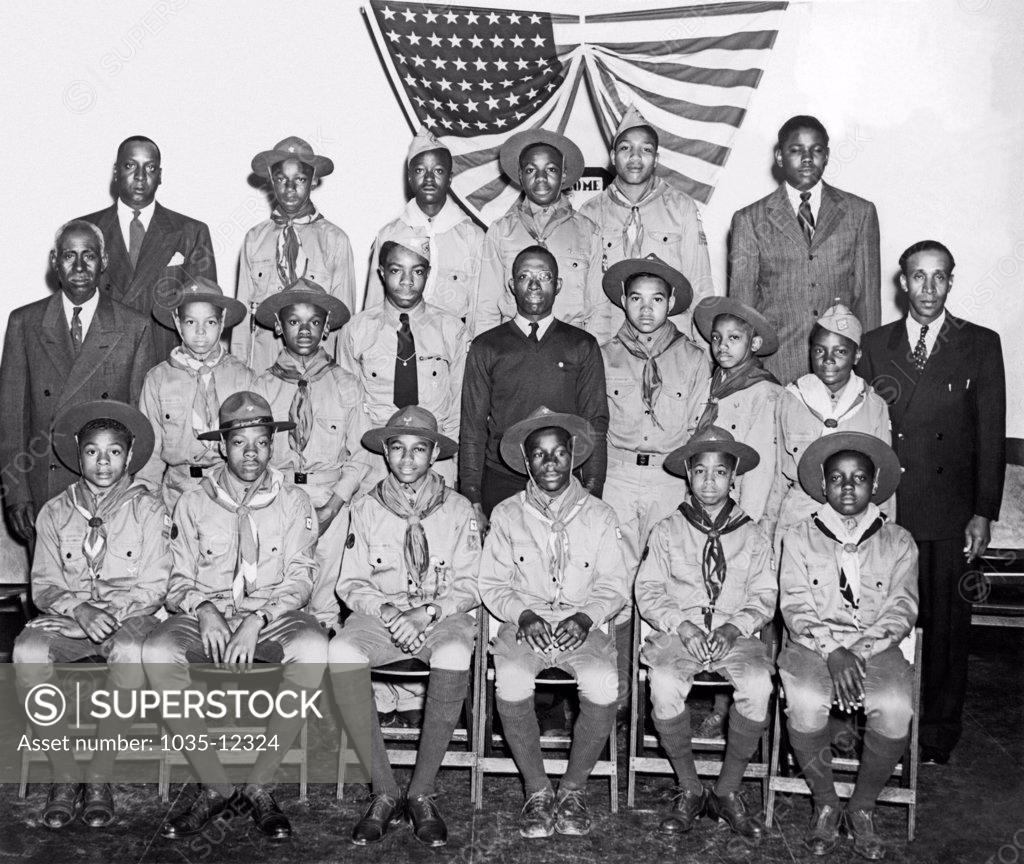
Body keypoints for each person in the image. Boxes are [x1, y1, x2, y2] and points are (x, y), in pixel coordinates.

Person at [142, 391, 325, 842]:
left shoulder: (295, 501)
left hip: (271, 614)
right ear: (222, 445)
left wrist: (257, 618)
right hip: (210, 612)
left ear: (273, 445)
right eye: (240, 443)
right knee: (159, 650)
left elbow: (301, 577)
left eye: (262, 442)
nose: (252, 454)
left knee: (314, 647)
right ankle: (215, 785)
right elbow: (175, 577)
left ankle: (259, 785)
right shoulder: (192, 501)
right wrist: (203, 610)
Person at [857, 240, 1005, 765]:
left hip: (949, 513)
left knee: (945, 628)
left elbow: (991, 435)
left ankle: (937, 734)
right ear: (902, 283)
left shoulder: (981, 345)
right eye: (917, 277)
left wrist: (983, 511)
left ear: (951, 281)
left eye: (938, 277)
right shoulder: (875, 345)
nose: (928, 288)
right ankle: (883, 727)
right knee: (886, 620)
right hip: (891, 511)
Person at [12, 400, 169, 830]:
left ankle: (99, 774)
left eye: (114, 452)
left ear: (130, 453)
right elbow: (43, 585)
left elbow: (155, 586)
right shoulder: (55, 512)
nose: (104, 462)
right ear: (77, 453)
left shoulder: (149, 509)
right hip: (71, 619)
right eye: (93, 452)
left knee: (134, 651)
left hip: (129, 617)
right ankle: (64, 774)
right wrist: (78, 611)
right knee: (27, 650)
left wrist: (107, 615)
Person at [328, 406, 479, 847]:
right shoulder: (367, 506)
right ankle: (383, 790)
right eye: (398, 448)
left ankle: (421, 791)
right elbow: (350, 581)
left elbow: (471, 582)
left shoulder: (458, 508)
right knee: (340, 652)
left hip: (439, 616)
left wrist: (427, 613)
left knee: (454, 652)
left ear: (434, 453)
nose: (408, 459)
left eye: (419, 449)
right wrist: (391, 612)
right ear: (386, 453)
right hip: (382, 616)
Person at [478, 407, 627, 838]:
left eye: (559, 453)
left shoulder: (601, 516)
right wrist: (523, 615)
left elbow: (615, 583)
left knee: (602, 682)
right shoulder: (506, 514)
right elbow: (491, 583)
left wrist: (585, 617)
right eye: (539, 455)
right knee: (510, 679)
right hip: (525, 626)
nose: (550, 464)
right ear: (526, 462)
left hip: (581, 626)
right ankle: (538, 789)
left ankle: (573, 789)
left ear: (574, 456)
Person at [779, 432, 917, 860]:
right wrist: (832, 650)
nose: (848, 487)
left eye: (859, 478)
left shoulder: (898, 541)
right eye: (837, 478)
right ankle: (825, 801)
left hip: (874, 648)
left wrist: (858, 651)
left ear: (875, 485)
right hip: (813, 644)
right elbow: (795, 604)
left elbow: (902, 608)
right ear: (823, 484)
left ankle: (862, 806)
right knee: (803, 700)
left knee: (895, 706)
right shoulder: (800, 536)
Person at [635, 426, 775, 841]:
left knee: (758, 683)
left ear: (735, 478)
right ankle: (691, 787)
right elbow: (648, 588)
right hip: (681, 632)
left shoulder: (752, 533)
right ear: (687, 477)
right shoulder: (667, 530)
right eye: (700, 472)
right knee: (663, 682)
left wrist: (735, 626)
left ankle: (728, 788)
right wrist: (682, 624)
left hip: (735, 633)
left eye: (719, 472)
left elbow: (766, 593)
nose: (709, 481)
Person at [598, 254, 710, 718]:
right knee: (616, 582)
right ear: (623, 301)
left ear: (673, 304)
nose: (646, 310)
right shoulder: (603, 354)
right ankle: (615, 691)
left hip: (669, 477)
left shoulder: (694, 358)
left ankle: (660, 696)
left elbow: (700, 428)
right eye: (637, 299)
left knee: (666, 580)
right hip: (620, 475)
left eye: (657, 300)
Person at [0, 220, 155, 545]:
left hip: (109, 488)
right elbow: (10, 420)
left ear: (104, 262)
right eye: (70, 256)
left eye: (90, 255)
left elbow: (142, 427)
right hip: (44, 490)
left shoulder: (134, 327)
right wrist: (15, 493)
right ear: (55, 261)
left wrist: (136, 495)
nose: (81, 266)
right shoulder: (24, 323)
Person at [460, 245, 609, 525]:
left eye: (544, 276)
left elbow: (596, 424)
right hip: (501, 481)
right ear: (511, 285)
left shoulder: (582, 345)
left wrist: (593, 491)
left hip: (563, 482)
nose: (534, 284)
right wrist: (473, 498)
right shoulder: (486, 346)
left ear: (559, 284)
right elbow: (472, 427)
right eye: (525, 276)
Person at [728, 115, 880, 384]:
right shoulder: (750, 220)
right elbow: (742, 310)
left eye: (816, 150)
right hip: (776, 370)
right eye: (796, 150)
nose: (807, 158)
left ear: (828, 155)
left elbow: (867, 301)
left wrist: (866, 372)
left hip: (841, 371)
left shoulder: (860, 213)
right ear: (779, 156)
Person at [252, 278, 368, 627]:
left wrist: (333, 506)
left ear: (327, 327)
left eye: (314, 322)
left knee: (325, 603)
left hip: (329, 497)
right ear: (278, 326)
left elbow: (361, 454)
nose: (304, 330)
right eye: (294, 321)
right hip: (278, 498)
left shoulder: (347, 384)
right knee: (280, 594)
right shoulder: (261, 386)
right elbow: (253, 452)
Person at [338, 234, 466, 489]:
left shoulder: (451, 330)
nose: (407, 281)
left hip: (435, 458)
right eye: (397, 270)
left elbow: (458, 407)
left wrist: (446, 462)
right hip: (374, 461)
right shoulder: (357, 329)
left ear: (428, 274)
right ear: (382, 273)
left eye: (417, 271)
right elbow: (347, 408)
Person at [580, 105, 715, 338]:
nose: (635, 157)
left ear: (656, 159)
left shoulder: (682, 208)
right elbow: (583, 293)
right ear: (613, 157)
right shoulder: (590, 212)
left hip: (670, 341)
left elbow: (700, 285)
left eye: (645, 149)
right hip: (611, 341)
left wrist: (703, 352)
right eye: (625, 148)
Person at [78, 135, 217, 360]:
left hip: (166, 362)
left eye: (150, 167)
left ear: (160, 176)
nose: (140, 176)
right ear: (115, 172)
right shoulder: (84, 230)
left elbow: (204, 314)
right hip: (100, 360)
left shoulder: (191, 232)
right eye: (130, 165)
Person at [233, 136, 357, 374]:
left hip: (318, 369)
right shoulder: (255, 239)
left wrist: (340, 378)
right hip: (265, 365)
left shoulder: (335, 240)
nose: (289, 188)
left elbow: (345, 320)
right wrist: (240, 374)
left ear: (313, 181)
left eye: (299, 179)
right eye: (281, 179)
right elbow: (241, 320)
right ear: (270, 180)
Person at [474, 130, 609, 341]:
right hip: (513, 346)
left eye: (551, 169)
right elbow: (485, 307)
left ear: (564, 175)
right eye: (530, 170)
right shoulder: (501, 231)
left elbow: (600, 309)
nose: (541, 178)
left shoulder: (588, 232)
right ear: (520, 176)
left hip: (571, 346)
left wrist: (591, 357)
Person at [776, 304, 892, 541]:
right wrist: (769, 536)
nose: (828, 360)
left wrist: (885, 537)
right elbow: (775, 478)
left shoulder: (873, 405)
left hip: (856, 524)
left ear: (857, 355)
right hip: (799, 518)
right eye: (819, 351)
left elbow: (885, 479)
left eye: (840, 352)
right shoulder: (790, 399)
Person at [136, 277, 254, 511]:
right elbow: (150, 453)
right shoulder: (158, 379)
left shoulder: (243, 376)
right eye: (191, 322)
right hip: (176, 493)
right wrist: (150, 504)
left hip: (229, 491)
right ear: (177, 323)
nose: (200, 332)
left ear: (222, 323)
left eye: (209, 322)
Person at [365, 127, 484, 330]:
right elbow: (374, 304)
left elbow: (480, 309)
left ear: (450, 178)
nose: (429, 179)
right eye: (420, 170)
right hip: (399, 343)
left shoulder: (472, 237)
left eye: (438, 171)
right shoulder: (389, 234)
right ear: (410, 177)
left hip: (452, 346)